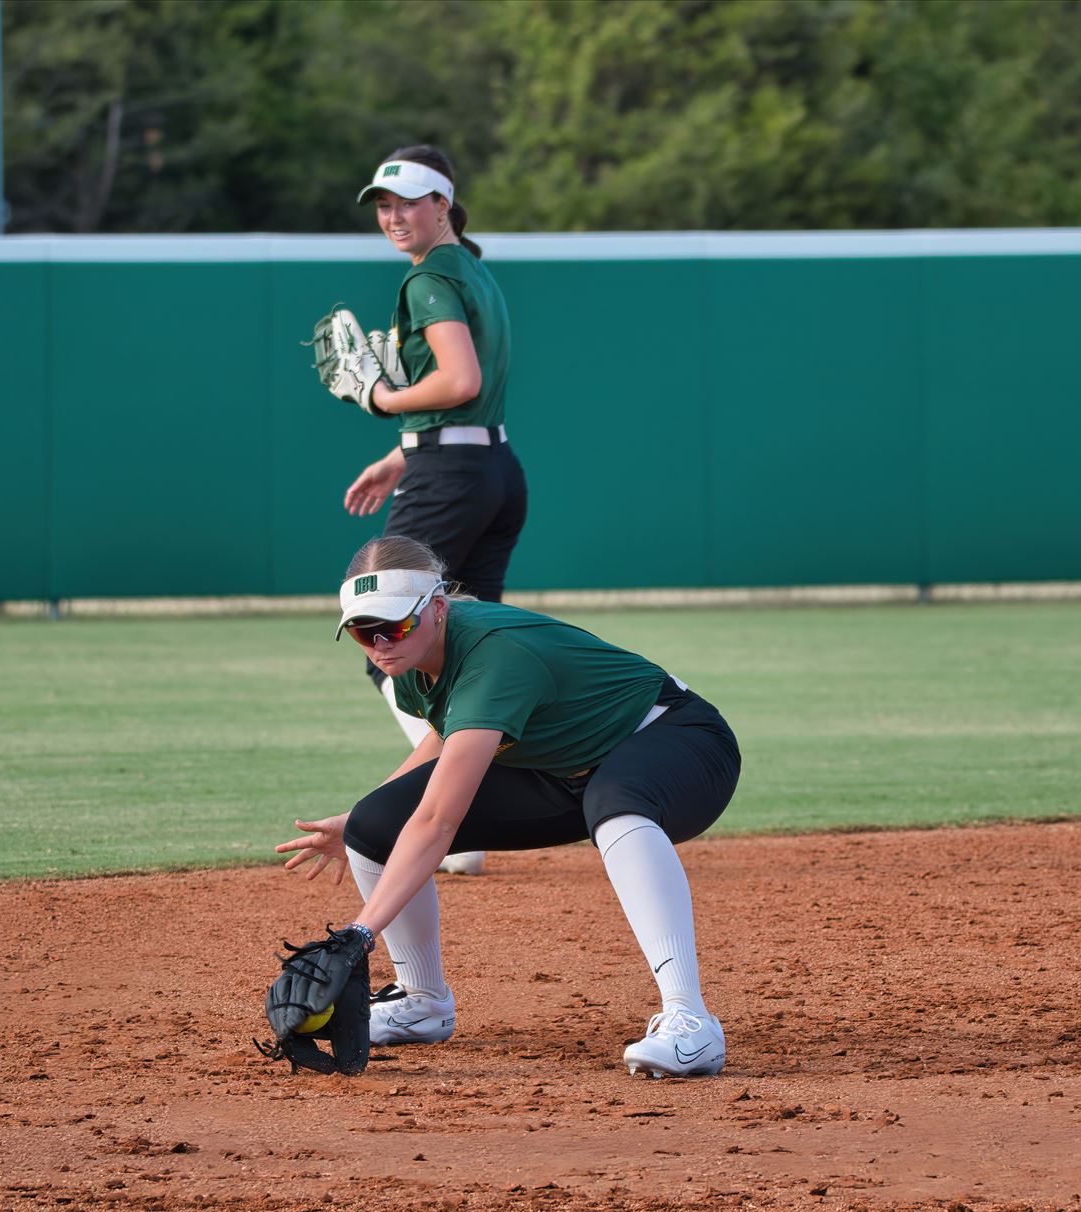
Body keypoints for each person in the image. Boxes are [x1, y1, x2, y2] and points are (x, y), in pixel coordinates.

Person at [277, 536, 742, 1078]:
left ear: (438, 607)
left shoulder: (495, 655)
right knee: (378, 824)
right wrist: (358, 820)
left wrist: (358, 935)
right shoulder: (410, 662)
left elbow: (438, 821)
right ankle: (422, 1003)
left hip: (679, 744)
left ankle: (691, 1021)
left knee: (617, 803)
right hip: (560, 769)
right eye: (363, 630)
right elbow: (448, 739)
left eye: (395, 625)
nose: (380, 642)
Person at [340, 144, 529, 875]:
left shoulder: (428, 281)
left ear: (442, 204)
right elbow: (477, 399)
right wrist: (401, 454)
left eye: (407, 201)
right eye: (381, 205)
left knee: (391, 645)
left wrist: (381, 401)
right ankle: (472, 817)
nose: (392, 216)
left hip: (453, 476)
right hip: (493, 470)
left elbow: (459, 379)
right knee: (467, 645)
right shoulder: (473, 270)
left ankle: (449, 817)